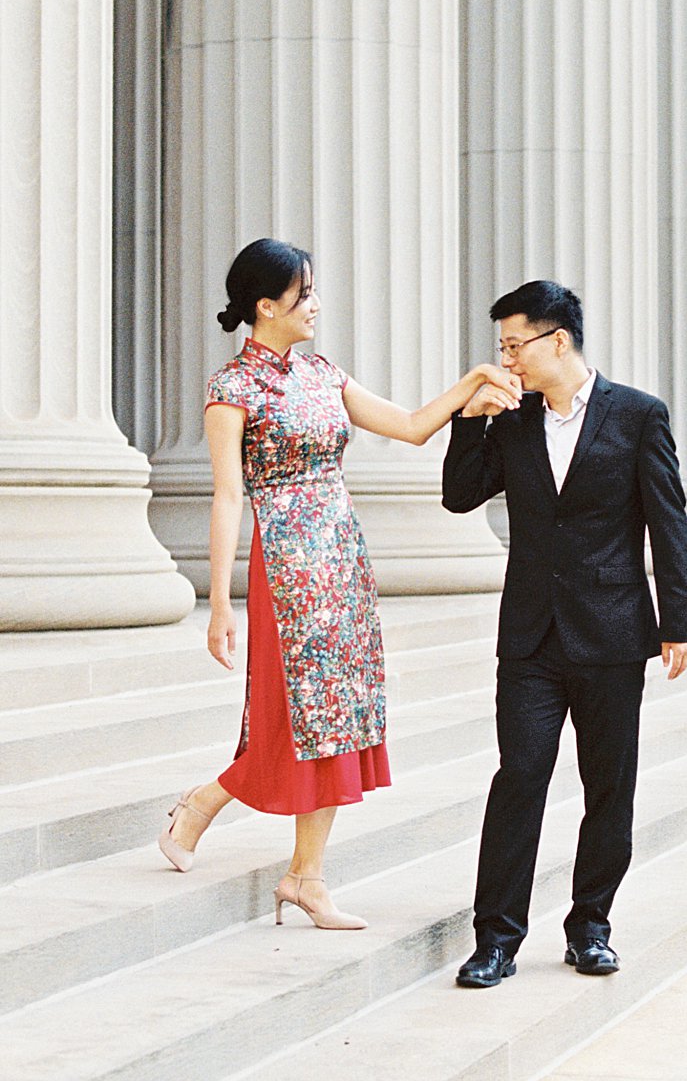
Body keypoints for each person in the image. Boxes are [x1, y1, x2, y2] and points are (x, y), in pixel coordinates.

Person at [157, 238, 521, 933]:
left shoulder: (324, 373)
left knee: (337, 719)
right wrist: (218, 604)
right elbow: (228, 497)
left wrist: (476, 381)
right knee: (295, 723)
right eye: (305, 295)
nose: (316, 304)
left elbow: (412, 427)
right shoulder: (231, 390)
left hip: (343, 561)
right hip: (287, 567)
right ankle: (241, 828)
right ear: (267, 306)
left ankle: (300, 872)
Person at [441, 280, 687, 989]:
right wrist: (470, 418)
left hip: (612, 632)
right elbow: (460, 494)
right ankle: (495, 938)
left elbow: (667, 518)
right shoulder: (513, 420)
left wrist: (677, 618)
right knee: (519, 776)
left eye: (514, 344)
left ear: (558, 340)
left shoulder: (639, 414)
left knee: (608, 787)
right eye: (501, 347)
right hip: (528, 637)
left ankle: (591, 924)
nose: (507, 359)